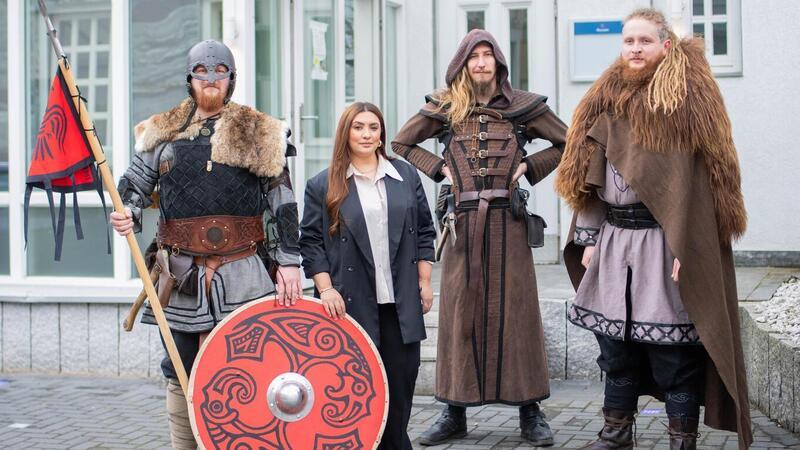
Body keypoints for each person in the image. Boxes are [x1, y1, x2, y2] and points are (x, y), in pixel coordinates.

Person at [555, 8, 751, 450]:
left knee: (672, 354)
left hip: (665, 245)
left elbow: (704, 184)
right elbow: (590, 176)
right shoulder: (606, 101)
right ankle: (615, 433)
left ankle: (682, 439)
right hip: (613, 243)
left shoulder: (685, 102)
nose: (636, 49)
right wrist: (587, 238)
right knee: (616, 348)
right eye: (629, 42)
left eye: (645, 41)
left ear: (665, 45)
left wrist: (692, 247)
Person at [110, 40, 302, 449]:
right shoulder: (162, 131)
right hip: (180, 274)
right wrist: (127, 209)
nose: (211, 78)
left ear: (231, 79)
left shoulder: (260, 130)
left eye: (220, 71)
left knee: (249, 366)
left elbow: (283, 200)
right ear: (190, 77)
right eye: (203, 71)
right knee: (179, 367)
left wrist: (288, 261)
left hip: (244, 271)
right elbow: (134, 185)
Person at [391, 29, 567, 447]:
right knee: (459, 312)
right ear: (463, 64)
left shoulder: (525, 107)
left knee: (518, 311)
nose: (482, 63)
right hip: (462, 224)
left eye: (489, 56)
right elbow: (401, 141)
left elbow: (568, 141)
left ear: (499, 63)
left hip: (510, 221)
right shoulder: (445, 107)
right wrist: (439, 170)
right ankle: (454, 412)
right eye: (475, 57)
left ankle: (531, 411)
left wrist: (531, 165)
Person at [299, 102, 435, 450]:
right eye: (358, 127)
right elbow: (311, 241)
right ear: (346, 133)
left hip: (400, 299)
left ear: (381, 135)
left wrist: (425, 280)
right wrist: (325, 289)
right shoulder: (322, 184)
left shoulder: (404, 175)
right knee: (354, 387)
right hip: (348, 303)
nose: (366, 134)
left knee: (401, 384)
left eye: (373, 127)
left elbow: (423, 231)